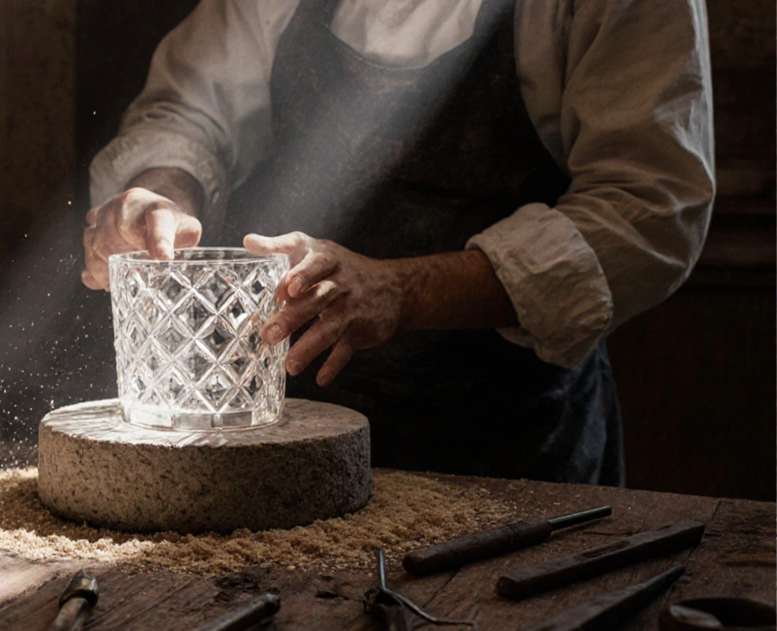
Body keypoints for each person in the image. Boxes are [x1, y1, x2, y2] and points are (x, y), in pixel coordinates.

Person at [81, 0, 714, 486]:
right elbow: (191, 111)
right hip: (293, 436)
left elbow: (649, 207)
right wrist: (160, 192)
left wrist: (403, 290)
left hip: (508, 440)